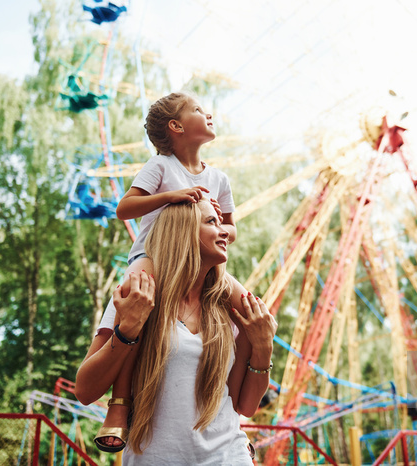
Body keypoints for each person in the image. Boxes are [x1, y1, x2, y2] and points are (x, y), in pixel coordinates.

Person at [93, 92, 243, 452]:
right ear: (175, 127)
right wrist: (170, 197)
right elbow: (125, 208)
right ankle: (118, 406)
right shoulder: (160, 166)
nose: (207, 113)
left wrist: (218, 231)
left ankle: (235, 421)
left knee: (251, 308)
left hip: (195, 262)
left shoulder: (218, 178)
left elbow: (232, 227)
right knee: (137, 321)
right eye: (196, 110)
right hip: (153, 255)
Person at [75, 200, 277, 464]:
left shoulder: (225, 309)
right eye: (211, 222)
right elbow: (85, 390)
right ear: (183, 231)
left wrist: (263, 347)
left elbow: (246, 406)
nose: (226, 231)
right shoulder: (138, 295)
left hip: (229, 455)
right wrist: (128, 330)